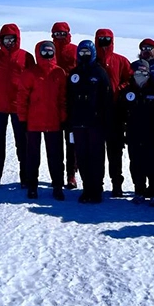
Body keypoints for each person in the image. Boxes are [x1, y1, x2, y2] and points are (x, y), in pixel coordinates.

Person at [0, 23, 35, 188]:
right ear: (1, 40)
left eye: (12, 39)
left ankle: (25, 177)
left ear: (17, 39)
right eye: (6, 39)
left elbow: (33, 84)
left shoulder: (26, 57)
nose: (9, 42)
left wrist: (33, 106)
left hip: (20, 108)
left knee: (23, 143)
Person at [17, 41, 67, 201]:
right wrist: (23, 119)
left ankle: (58, 186)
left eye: (49, 52)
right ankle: (32, 186)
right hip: (34, 122)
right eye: (44, 52)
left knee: (56, 156)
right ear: (38, 53)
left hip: (54, 122)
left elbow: (63, 98)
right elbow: (22, 97)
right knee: (32, 156)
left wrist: (63, 117)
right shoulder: (30, 73)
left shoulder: (59, 73)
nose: (47, 55)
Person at [117, 59, 154, 205]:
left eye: (144, 72)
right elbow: (121, 113)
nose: (141, 75)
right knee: (136, 163)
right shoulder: (127, 91)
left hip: (153, 134)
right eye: (138, 72)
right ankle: (139, 190)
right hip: (134, 133)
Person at [66, 39, 113, 203]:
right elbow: (68, 99)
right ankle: (87, 188)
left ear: (93, 53)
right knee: (82, 155)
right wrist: (69, 121)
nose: (84, 55)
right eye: (81, 52)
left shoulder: (100, 73)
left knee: (96, 156)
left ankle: (97, 189)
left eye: (87, 52)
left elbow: (107, 99)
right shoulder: (74, 74)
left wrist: (107, 122)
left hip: (96, 123)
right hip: (78, 122)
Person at [95, 28, 132, 197]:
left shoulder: (121, 61)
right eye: (101, 38)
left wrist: (119, 89)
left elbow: (129, 80)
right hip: (96, 113)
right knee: (97, 152)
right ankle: (97, 183)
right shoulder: (93, 62)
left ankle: (117, 183)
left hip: (116, 112)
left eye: (107, 38)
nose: (104, 41)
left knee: (115, 151)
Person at [51, 22, 79, 189]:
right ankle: (57, 174)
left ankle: (71, 174)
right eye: (56, 33)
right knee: (54, 142)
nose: (59, 36)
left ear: (68, 34)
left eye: (62, 33)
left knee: (71, 141)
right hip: (52, 103)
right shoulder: (48, 50)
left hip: (71, 103)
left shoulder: (74, 50)